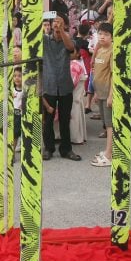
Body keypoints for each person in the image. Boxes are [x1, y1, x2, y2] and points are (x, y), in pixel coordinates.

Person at [41, 11, 80, 161]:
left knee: (65, 119)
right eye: (55, 23)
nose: (57, 25)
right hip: (49, 85)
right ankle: (48, 148)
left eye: (61, 23)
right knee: (48, 120)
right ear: (50, 26)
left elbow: (71, 49)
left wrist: (62, 31)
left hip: (64, 85)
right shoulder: (45, 40)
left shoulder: (69, 39)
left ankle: (66, 149)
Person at [90, 23, 113, 167]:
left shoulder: (112, 51)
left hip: (108, 94)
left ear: (112, 37)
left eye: (106, 34)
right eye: (100, 34)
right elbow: (96, 71)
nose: (102, 37)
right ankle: (109, 150)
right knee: (106, 124)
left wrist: (111, 95)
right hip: (101, 92)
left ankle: (109, 154)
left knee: (110, 125)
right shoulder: (99, 50)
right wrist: (96, 93)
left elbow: (113, 75)